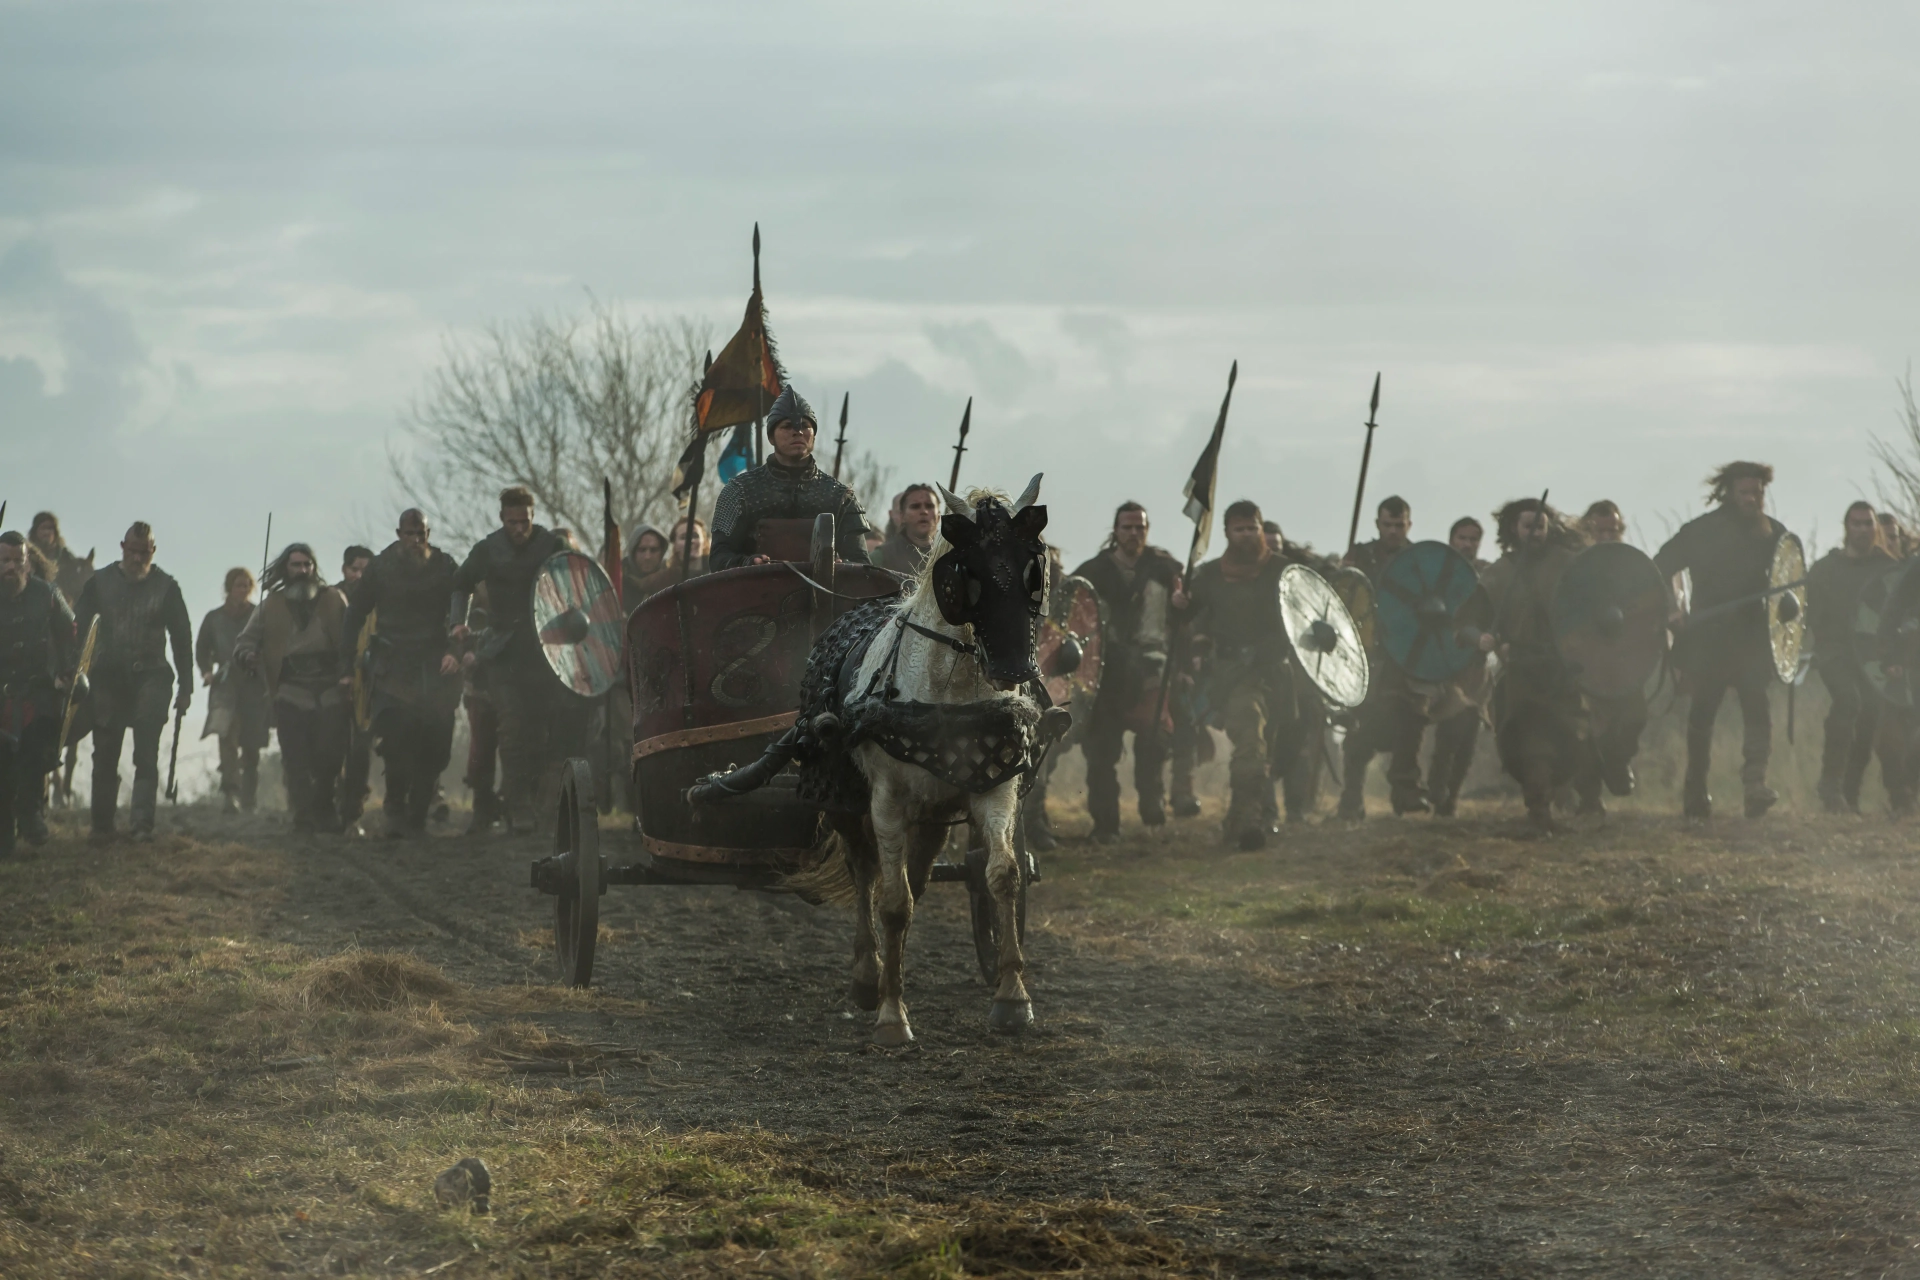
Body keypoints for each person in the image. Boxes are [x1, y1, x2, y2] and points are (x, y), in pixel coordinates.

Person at [1185, 501, 1323, 850]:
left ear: (1262, 530)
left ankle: (1246, 815)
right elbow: (1192, 616)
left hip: (1275, 673)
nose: (1247, 535)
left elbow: (1314, 608)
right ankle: (1249, 823)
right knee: (1250, 739)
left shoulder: (1285, 570)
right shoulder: (1212, 575)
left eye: (1252, 528)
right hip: (1235, 676)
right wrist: (1179, 606)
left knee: (1269, 749)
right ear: (1228, 533)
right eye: (1239, 529)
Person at [450, 486, 591, 827]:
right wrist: (457, 621)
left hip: (544, 649)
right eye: (512, 522)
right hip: (502, 651)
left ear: (533, 517)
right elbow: (461, 583)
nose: (519, 528)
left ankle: (537, 802)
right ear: (502, 518)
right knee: (512, 728)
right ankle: (518, 808)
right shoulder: (487, 549)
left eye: (525, 521)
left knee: (540, 729)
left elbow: (577, 586)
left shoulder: (550, 545)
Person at [1655, 461, 1789, 820]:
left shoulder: (1774, 534)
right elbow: (1660, 566)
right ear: (1728, 493)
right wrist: (1672, 609)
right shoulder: (1700, 531)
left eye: (1758, 493)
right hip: (1708, 637)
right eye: (1745, 492)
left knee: (1757, 709)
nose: (1752, 499)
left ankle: (1754, 786)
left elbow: (1788, 589)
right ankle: (1696, 791)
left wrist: (1788, 610)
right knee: (1703, 714)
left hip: (1752, 637)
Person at [341, 510, 462, 838]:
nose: (416, 540)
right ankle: (395, 807)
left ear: (428, 533)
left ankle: (418, 813)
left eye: (421, 534)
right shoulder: (380, 569)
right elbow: (354, 615)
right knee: (397, 743)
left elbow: (459, 610)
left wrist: (454, 649)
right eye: (410, 534)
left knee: (436, 746)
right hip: (393, 665)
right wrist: (346, 668)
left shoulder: (444, 567)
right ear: (399, 534)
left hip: (435, 665)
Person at [72, 522, 193, 842]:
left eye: (145, 552)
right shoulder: (99, 583)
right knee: (106, 750)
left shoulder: (167, 587)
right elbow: (77, 627)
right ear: (122, 547)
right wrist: (69, 672)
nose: (138, 558)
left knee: (146, 752)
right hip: (108, 677)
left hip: (152, 676)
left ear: (153, 552)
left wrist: (186, 686)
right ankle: (101, 826)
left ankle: (141, 824)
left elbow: (182, 639)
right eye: (133, 551)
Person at [1072, 502, 1185, 843]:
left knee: (1153, 744)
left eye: (1140, 527)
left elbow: (1184, 621)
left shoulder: (1166, 569)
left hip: (1152, 667)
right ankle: (1106, 825)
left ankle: (1152, 806)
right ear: (1116, 530)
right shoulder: (1093, 571)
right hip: (1105, 672)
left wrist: (1183, 605)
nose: (1134, 533)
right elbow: (1074, 618)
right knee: (1101, 752)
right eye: (1127, 527)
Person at [1478, 498, 1590, 833]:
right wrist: (1484, 638)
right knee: (1532, 741)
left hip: (1563, 667)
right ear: (1514, 528)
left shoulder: (1570, 566)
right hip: (1522, 668)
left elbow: (1594, 605)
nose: (1535, 533)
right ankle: (1538, 811)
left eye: (1540, 526)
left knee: (1570, 736)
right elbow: (1472, 618)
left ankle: (1562, 797)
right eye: (1528, 526)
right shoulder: (1499, 574)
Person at [233, 544, 350, 833]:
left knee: (330, 755)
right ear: (286, 568)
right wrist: (247, 655)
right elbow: (245, 641)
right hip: (289, 690)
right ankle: (304, 815)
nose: (302, 571)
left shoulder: (334, 599)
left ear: (314, 567)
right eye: (296, 565)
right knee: (296, 758)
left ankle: (325, 807)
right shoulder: (270, 605)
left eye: (306, 565)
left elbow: (353, 636)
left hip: (331, 687)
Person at [708, 385, 871, 570]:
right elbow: (719, 558)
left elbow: (862, 565)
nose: (798, 432)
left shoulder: (840, 496)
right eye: (787, 426)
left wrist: (840, 567)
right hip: (755, 593)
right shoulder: (739, 491)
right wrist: (747, 563)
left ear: (814, 435)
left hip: (823, 595)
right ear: (771, 437)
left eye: (805, 426)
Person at [1338, 495, 1430, 818]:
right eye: (1387, 525)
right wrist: (1344, 573)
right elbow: (1342, 597)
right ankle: (1351, 798)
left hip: (1404, 657)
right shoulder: (1360, 556)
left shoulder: (1419, 561)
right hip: (1365, 654)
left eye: (1399, 524)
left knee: (1410, 718)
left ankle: (1405, 790)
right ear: (1378, 525)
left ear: (1408, 524)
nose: (1393, 531)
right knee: (1360, 728)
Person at [1802, 501, 1893, 813]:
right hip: (1834, 651)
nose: (1863, 530)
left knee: (1870, 714)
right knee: (1847, 700)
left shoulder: (1887, 569)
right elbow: (1807, 612)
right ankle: (1830, 785)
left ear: (1875, 528)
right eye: (1856, 524)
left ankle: (1848, 794)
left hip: (1872, 655)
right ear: (1846, 528)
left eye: (1868, 524)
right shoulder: (1826, 569)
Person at [1568, 499, 1652, 813]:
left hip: (1623, 658)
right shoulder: (1573, 569)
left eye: (1612, 530)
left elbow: (1646, 606)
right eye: (1599, 531)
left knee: (1634, 717)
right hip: (1584, 658)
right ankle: (1589, 797)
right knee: (1587, 730)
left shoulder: (1630, 569)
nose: (1606, 537)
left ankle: (1617, 763)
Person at [0, 532, 75, 854]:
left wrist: (68, 672)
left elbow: (70, 634)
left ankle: (30, 813)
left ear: (28, 562)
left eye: (18, 561)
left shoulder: (46, 594)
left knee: (35, 750)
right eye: (4, 561)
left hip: (37, 691)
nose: (11, 567)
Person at [1427, 516, 1492, 817]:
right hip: (1443, 660)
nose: (1467, 544)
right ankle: (1437, 792)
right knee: (1450, 729)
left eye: (1473, 539)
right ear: (1452, 539)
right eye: (1462, 538)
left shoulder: (1486, 576)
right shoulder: (1438, 573)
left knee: (1469, 734)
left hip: (1476, 666)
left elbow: (1497, 614)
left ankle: (1449, 797)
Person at [195, 567, 269, 814]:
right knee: (226, 739)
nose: (244, 589)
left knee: (252, 743)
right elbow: (202, 648)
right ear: (229, 587)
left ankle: (249, 799)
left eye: (247, 584)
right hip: (225, 684)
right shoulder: (214, 618)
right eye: (239, 585)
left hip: (253, 684)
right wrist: (206, 671)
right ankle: (231, 795)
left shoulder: (260, 616)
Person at [336, 544, 377, 823]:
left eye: (366, 570)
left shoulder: (381, 600)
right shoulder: (331, 599)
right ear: (344, 569)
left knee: (361, 746)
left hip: (370, 682)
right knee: (334, 745)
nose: (360, 575)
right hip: (335, 681)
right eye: (355, 569)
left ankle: (354, 807)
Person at [27, 511, 94, 606]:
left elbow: (77, 587)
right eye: (43, 528)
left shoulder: (66, 557)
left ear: (55, 533)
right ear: (35, 532)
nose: (46, 532)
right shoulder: (26, 555)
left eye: (50, 529)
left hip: (60, 606)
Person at [874, 483, 939, 576]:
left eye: (929, 506)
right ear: (902, 516)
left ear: (939, 516)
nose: (924, 511)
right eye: (915, 506)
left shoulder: (951, 555)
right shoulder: (882, 556)